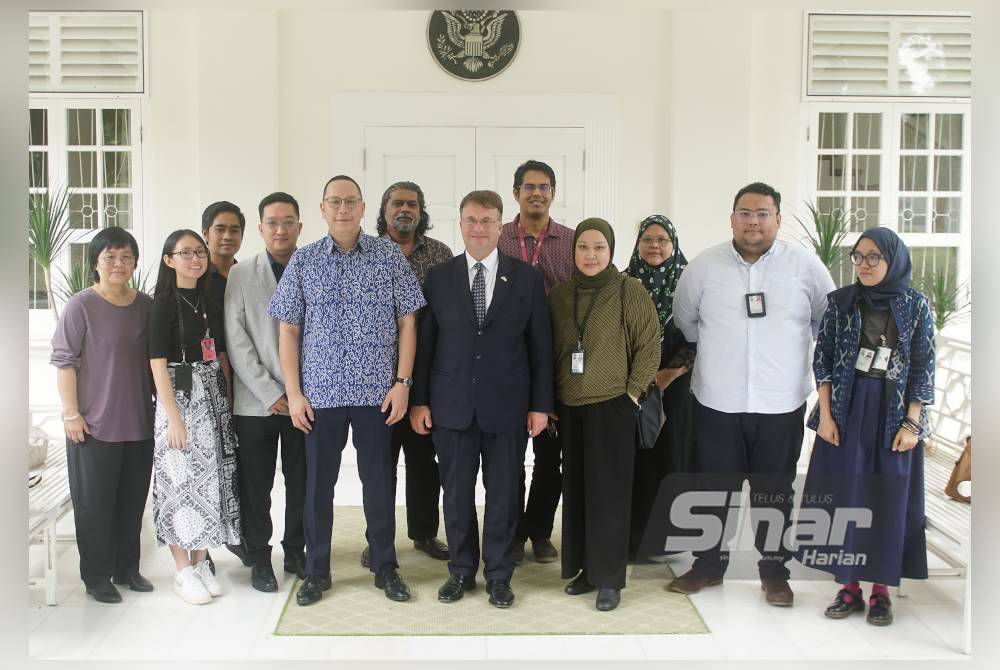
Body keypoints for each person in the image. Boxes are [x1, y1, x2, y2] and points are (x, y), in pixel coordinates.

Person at [669, 182, 835, 606]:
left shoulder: (806, 267)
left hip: (780, 403)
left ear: (778, 218)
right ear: (732, 218)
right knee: (712, 490)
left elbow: (825, 322)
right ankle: (708, 565)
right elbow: (687, 322)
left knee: (774, 492)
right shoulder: (703, 267)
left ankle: (775, 573)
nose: (753, 222)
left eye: (763, 213)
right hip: (717, 401)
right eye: (745, 213)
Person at [268, 175, 426, 607]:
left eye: (350, 201)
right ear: (322, 208)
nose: (342, 208)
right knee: (318, 487)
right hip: (321, 396)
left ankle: (385, 566)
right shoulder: (304, 261)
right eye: (334, 201)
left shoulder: (388, 255)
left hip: (378, 394)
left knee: (379, 483)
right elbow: (288, 331)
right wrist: (294, 393)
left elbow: (408, 322)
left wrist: (403, 384)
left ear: (362, 208)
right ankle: (317, 571)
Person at [411, 190, 553, 609]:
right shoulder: (440, 277)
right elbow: (426, 345)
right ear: (460, 225)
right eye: (471, 220)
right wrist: (420, 400)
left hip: (508, 408)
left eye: (487, 220)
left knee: (504, 495)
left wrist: (540, 405)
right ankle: (460, 570)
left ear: (500, 226)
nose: (478, 228)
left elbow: (540, 348)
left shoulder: (526, 278)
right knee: (456, 495)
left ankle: (499, 575)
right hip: (451, 405)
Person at [798, 227, 935, 626]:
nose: (864, 264)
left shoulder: (915, 305)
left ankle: (880, 592)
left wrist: (912, 423)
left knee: (886, 501)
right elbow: (822, 360)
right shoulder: (842, 302)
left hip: (894, 417)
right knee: (847, 498)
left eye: (874, 256)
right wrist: (825, 416)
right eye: (858, 256)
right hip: (847, 410)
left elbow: (924, 365)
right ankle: (849, 587)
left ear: (893, 259)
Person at [550, 218, 660, 611]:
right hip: (570, 407)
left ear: (611, 250)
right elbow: (550, 350)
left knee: (609, 496)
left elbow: (649, 346)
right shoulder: (559, 296)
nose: (591, 255)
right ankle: (585, 569)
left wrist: (631, 395)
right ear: (573, 251)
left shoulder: (629, 290)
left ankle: (609, 578)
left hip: (613, 405)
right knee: (577, 492)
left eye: (599, 247)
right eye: (583, 247)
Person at [50, 227, 155, 604]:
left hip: (139, 422)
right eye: (110, 257)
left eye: (126, 257)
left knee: (132, 502)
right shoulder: (80, 306)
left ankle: (127, 569)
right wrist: (71, 414)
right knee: (94, 506)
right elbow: (65, 362)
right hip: (93, 426)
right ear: (96, 262)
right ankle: (96, 577)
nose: (119, 263)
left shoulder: (146, 305)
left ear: (135, 262)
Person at [356, 181, 453, 568]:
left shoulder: (441, 254)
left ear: (421, 210)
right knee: (379, 465)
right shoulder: (366, 252)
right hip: (378, 378)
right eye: (397, 203)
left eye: (412, 204)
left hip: (428, 376)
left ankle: (424, 532)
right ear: (384, 210)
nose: (405, 209)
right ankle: (377, 539)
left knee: (425, 461)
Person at [149, 229, 241, 605]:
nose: (195, 259)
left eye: (199, 252)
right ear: (169, 260)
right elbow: (157, 364)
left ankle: (202, 562)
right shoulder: (162, 303)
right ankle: (181, 569)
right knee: (178, 480)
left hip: (211, 395)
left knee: (210, 480)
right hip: (180, 397)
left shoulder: (209, 297)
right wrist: (174, 419)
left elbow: (219, 352)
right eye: (185, 253)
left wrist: (226, 401)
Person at [224, 192, 307, 592]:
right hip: (255, 404)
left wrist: (296, 393)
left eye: (288, 221)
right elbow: (236, 338)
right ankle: (259, 558)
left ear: (299, 227)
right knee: (256, 486)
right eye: (272, 222)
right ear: (260, 228)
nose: (280, 229)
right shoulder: (241, 274)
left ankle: (296, 551)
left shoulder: (313, 266)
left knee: (302, 481)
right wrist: (271, 392)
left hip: (305, 401)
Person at [497, 159, 575, 565]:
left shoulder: (572, 240)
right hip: (508, 362)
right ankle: (512, 533)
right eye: (529, 187)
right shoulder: (497, 238)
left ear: (553, 194)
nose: (537, 193)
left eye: (544, 187)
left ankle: (540, 531)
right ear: (516, 193)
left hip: (556, 363)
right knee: (509, 458)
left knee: (549, 458)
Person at [623, 215, 696, 558]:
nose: (654, 246)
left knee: (670, 452)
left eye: (662, 240)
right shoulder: (623, 283)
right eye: (647, 239)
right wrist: (638, 379)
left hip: (676, 386)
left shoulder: (689, 283)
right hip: (630, 386)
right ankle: (634, 539)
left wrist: (667, 375)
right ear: (638, 243)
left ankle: (669, 540)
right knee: (637, 458)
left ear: (673, 244)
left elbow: (700, 335)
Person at [202, 200, 245, 282]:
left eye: (234, 230)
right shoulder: (195, 276)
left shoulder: (249, 276)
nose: (227, 237)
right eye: (220, 229)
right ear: (205, 234)